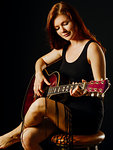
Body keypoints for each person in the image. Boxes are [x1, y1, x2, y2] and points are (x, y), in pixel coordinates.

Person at [0, 1, 106, 150]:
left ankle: (10, 137)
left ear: (74, 20)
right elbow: (41, 61)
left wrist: (85, 91)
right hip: (64, 112)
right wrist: (38, 74)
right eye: (57, 28)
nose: (62, 30)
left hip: (85, 117)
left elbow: (100, 89)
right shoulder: (65, 48)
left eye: (65, 23)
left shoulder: (92, 48)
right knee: (28, 136)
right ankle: (17, 135)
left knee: (41, 103)